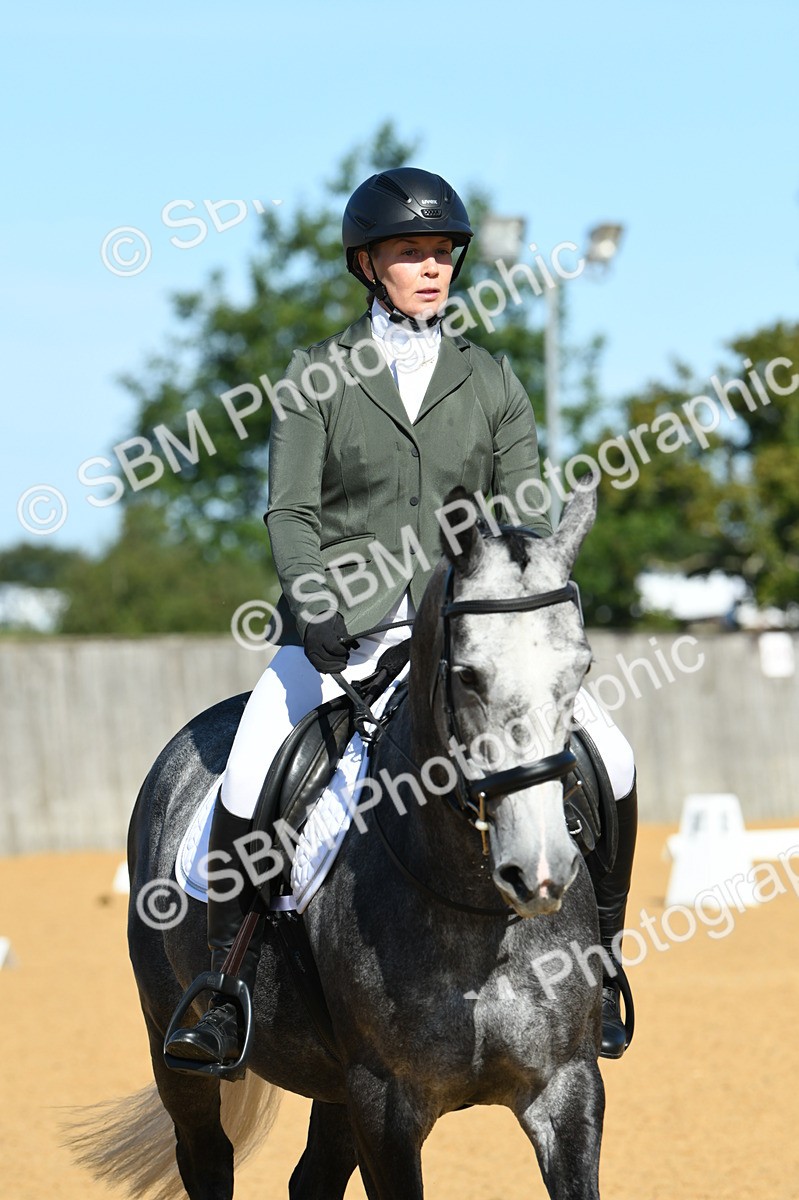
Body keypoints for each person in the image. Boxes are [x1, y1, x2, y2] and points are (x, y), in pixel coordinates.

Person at [165, 167, 637, 1068]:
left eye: (442, 254)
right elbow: (290, 512)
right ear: (368, 265)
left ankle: (602, 952)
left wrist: (519, 609)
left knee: (608, 756)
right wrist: (310, 600)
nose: (431, 268)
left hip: (469, 636)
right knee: (251, 770)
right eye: (410, 254)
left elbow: (525, 515)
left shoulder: (491, 380)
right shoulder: (316, 377)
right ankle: (222, 988)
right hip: (343, 632)